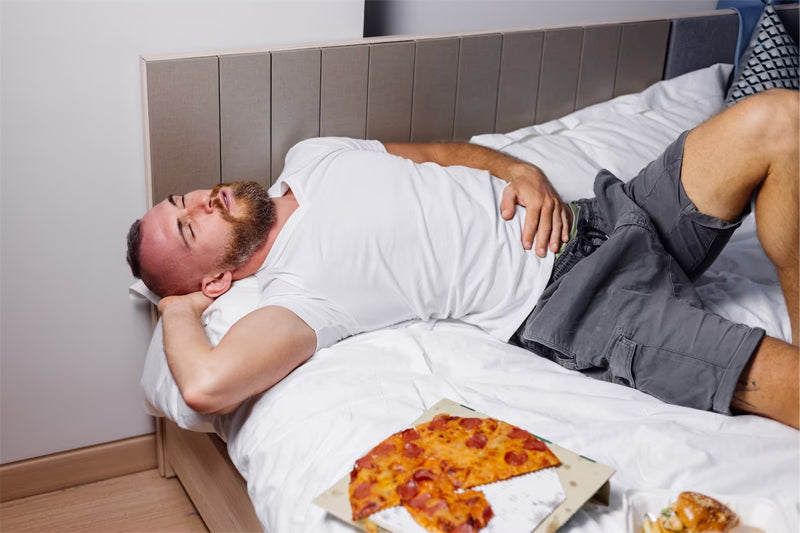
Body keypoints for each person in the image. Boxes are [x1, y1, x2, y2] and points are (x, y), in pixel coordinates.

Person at [127, 89, 799, 429]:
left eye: (182, 199)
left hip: (608, 214)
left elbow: (442, 154)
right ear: (216, 277)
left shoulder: (315, 155)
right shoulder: (293, 296)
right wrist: (176, 304)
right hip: (586, 306)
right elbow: (205, 385)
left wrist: (521, 169)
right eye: (188, 229)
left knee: (780, 119)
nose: (203, 203)